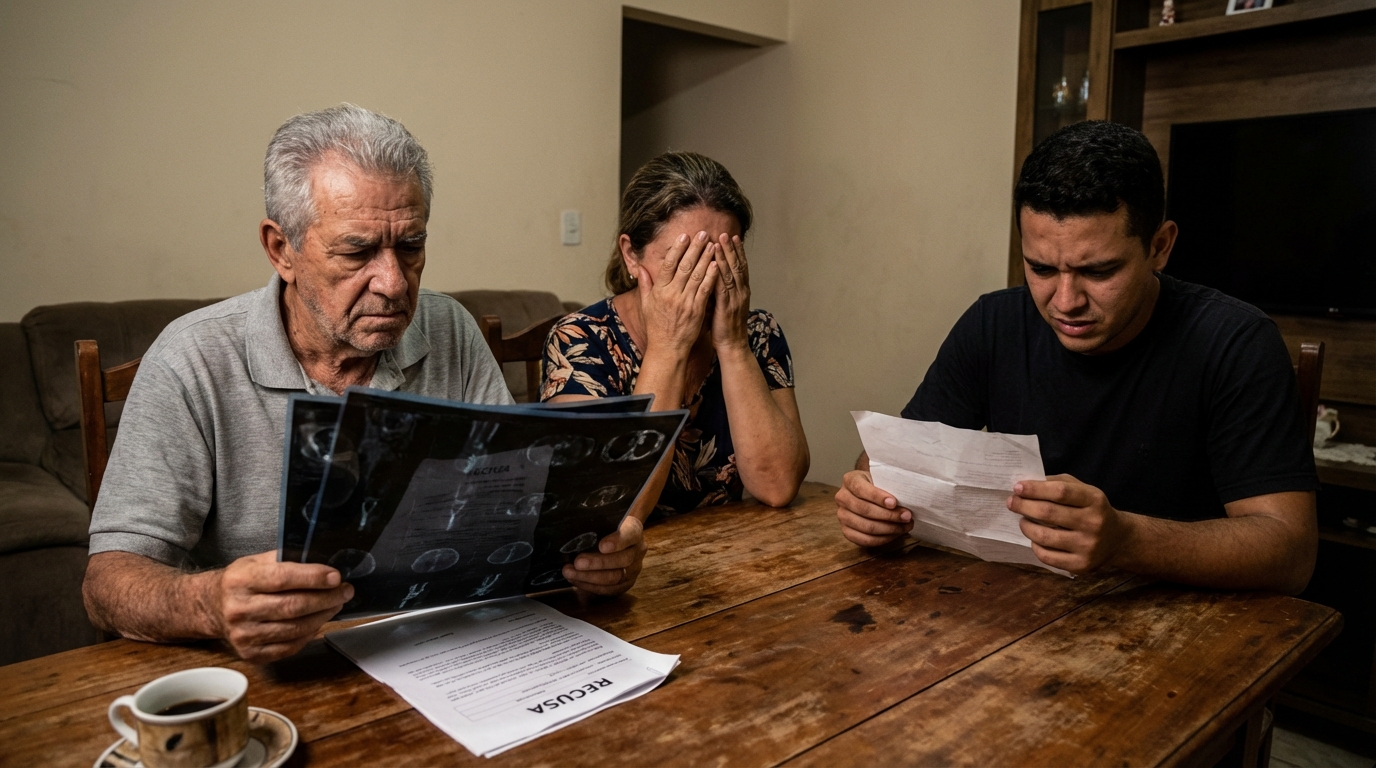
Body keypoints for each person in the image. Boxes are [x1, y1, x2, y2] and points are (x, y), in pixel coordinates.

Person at [83, 105, 647, 663]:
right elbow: (105, 584)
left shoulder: (449, 329)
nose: (394, 282)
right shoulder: (191, 359)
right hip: (277, 670)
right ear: (281, 249)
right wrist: (208, 602)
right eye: (356, 251)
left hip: (444, 649)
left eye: (411, 245)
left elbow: (515, 511)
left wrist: (595, 550)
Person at [835, 121, 1318, 594]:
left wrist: (1126, 539)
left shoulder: (1234, 342)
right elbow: (884, 465)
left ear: (1160, 246)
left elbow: (1291, 554)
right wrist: (872, 503)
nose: (1065, 301)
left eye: (1099, 270)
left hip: (1183, 624)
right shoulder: (993, 324)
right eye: (1041, 268)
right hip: (1022, 608)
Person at [541, 152, 809, 520]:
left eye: (720, 258)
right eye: (685, 260)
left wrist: (733, 346)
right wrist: (668, 348)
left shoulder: (758, 333)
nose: (706, 278)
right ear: (631, 256)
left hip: (731, 553)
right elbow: (611, 509)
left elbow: (778, 486)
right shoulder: (580, 340)